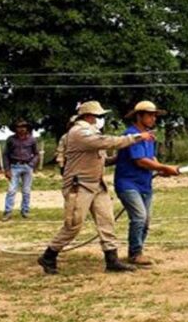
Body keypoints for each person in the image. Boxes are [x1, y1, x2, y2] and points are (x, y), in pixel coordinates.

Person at [37, 101, 152, 275]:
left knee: (107, 221)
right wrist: (136, 138)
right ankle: (49, 255)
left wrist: (121, 158)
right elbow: (105, 142)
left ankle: (111, 260)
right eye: (100, 116)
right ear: (90, 117)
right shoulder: (79, 132)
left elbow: (102, 159)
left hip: (97, 184)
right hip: (79, 186)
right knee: (73, 225)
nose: (101, 119)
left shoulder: (91, 132)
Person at [114, 101, 180, 267]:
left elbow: (150, 158)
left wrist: (160, 169)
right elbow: (140, 161)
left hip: (144, 184)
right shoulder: (131, 135)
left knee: (146, 220)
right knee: (139, 217)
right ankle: (135, 253)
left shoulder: (149, 137)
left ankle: (137, 252)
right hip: (128, 184)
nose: (153, 118)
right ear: (139, 116)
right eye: (150, 115)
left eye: (154, 115)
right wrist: (165, 167)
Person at [1, 119, 40, 220]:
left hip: (28, 166)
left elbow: (36, 153)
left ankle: (25, 211)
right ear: (15, 128)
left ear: (27, 128)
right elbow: (5, 155)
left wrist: (32, 164)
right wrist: (7, 169)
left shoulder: (32, 140)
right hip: (14, 167)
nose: (22, 129)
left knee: (26, 190)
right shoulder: (11, 140)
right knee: (11, 190)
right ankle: (8, 211)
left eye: (24, 127)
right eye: (19, 127)